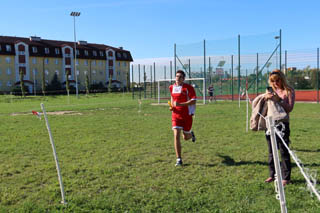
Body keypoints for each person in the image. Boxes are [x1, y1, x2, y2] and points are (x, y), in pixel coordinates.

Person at [264, 69, 295, 186]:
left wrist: (279, 100)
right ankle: (272, 175)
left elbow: (289, 108)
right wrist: (266, 98)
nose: (275, 83)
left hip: (283, 123)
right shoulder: (271, 91)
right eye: (273, 81)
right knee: (271, 151)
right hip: (270, 123)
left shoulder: (289, 91)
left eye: (277, 80)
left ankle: (286, 177)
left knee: (284, 150)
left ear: (282, 79)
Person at [169, 70, 197, 166]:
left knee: (185, 137)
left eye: (180, 76)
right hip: (176, 115)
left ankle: (191, 135)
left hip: (187, 116)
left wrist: (181, 104)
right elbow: (172, 98)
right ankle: (179, 159)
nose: (178, 78)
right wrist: (172, 106)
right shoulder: (171, 87)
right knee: (176, 135)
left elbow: (193, 101)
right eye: (177, 76)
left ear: (184, 78)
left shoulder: (188, 88)